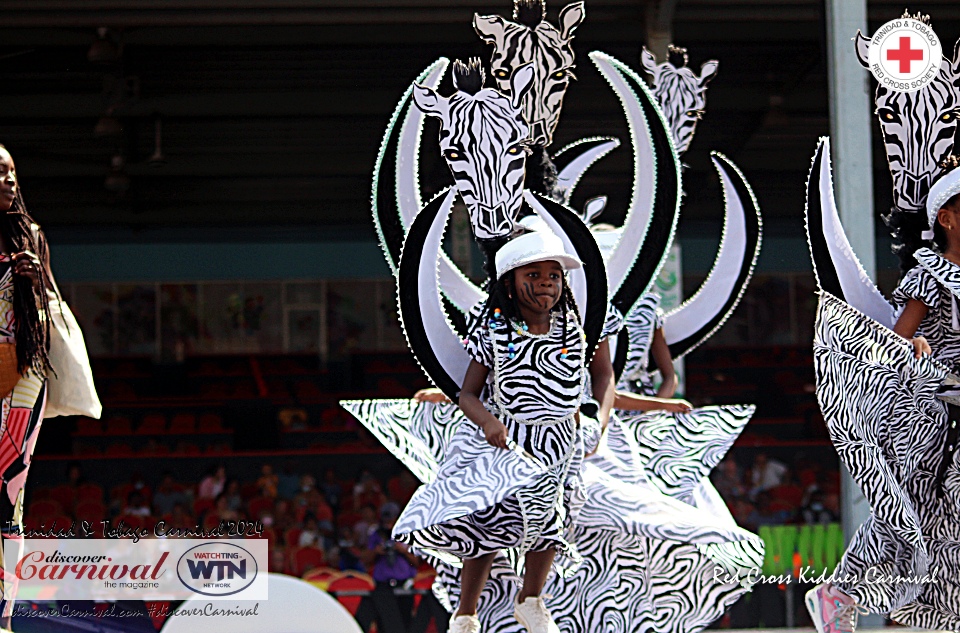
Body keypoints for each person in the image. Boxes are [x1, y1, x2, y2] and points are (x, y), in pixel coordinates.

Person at [394, 229, 615, 633]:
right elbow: (468, 394)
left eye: (554, 274)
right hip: (508, 441)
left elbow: (599, 377)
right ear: (510, 282)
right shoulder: (494, 327)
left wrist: (597, 417)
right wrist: (489, 422)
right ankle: (465, 613)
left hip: (561, 442)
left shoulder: (578, 323)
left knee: (551, 520)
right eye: (534, 274)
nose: (546, 282)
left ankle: (531, 600)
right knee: (488, 525)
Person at [806, 157, 960, 633]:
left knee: (945, 519)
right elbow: (895, 340)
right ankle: (839, 593)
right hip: (932, 413)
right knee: (907, 512)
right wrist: (914, 347)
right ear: (946, 218)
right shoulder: (930, 275)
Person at [0, 145, 69, 629]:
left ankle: (4, 616)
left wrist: (35, 280)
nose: (8, 181)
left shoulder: (32, 235)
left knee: (8, 491)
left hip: (22, 373)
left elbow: (51, 316)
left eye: (11, 173)